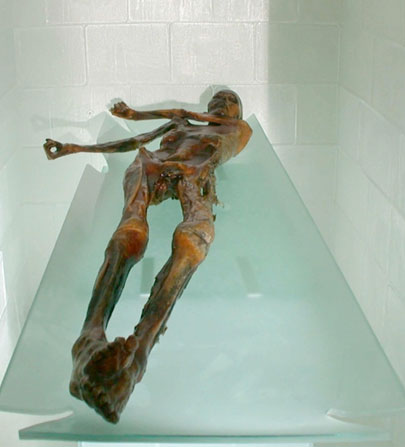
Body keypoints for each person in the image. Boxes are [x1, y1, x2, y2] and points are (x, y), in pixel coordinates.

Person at [43, 90, 252, 423]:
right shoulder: (183, 123)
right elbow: (139, 141)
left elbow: (199, 118)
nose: (219, 104)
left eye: (227, 102)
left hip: (194, 173)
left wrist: (154, 114)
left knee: (192, 241)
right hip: (152, 164)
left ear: (236, 113)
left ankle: (136, 358)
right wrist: (77, 148)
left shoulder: (238, 130)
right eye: (217, 101)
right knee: (130, 233)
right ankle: (88, 339)